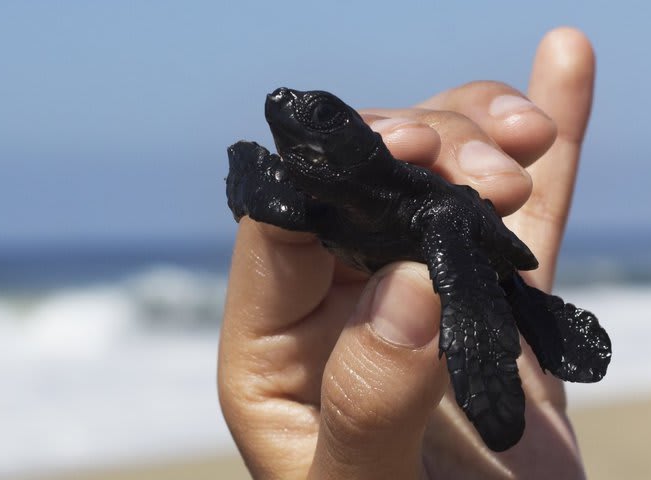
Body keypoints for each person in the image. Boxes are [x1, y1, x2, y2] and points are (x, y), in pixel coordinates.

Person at [218, 27, 595, 479]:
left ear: (363, 140)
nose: (285, 105)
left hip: (473, 245)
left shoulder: (430, 211)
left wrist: (488, 383)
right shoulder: (314, 211)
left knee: (500, 295)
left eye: (318, 113)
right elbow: (252, 179)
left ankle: (531, 317)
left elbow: (468, 291)